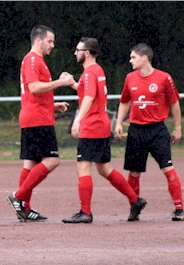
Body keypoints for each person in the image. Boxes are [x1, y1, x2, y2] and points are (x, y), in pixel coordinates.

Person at [60, 38, 147, 224]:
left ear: (87, 53)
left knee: (83, 166)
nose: (75, 53)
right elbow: (88, 92)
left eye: (78, 50)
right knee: (104, 168)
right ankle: (135, 199)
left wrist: (77, 119)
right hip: (101, 125)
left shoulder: (90, 73)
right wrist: (73, 84)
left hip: (92, 126)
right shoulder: (96, 71)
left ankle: (85, 212)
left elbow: (89, 98)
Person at [6, 25, 74, 222]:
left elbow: (34, 94)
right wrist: (60, 83)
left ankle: (24, 209)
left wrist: (52, 104)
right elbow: (34, 88)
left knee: (31, 163)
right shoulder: (33, 60)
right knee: (52, 160)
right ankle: (18, 196)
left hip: (35, 115)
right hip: (37, 119)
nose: (52, 45)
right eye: (50, 41)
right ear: (38, 40)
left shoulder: (35, 60)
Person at [115, 43, 184, 221]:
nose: (130, 61)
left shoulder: (163, 78)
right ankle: (134, 207)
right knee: (134, 173)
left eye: (133, 57)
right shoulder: (130, 78)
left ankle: (179, 209)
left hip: (157, 131)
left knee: (168, 169)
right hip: (136, 130)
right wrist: (119, 122)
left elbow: (174, 102)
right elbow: (124, 101)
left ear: (144, 58)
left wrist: (177, 128)